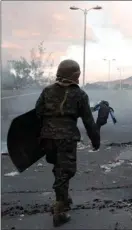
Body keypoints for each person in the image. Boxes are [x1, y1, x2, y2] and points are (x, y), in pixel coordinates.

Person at [35, 59, 100, 227]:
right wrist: (95, 140)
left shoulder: (47, 90)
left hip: (47, 138)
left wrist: (41, 136)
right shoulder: (79, 94)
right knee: (66, 171)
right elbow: (88, 121)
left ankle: (63, 197)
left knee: (59, 168)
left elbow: (37, 113)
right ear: (75, 75)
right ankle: (60, 210)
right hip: (66, 138)